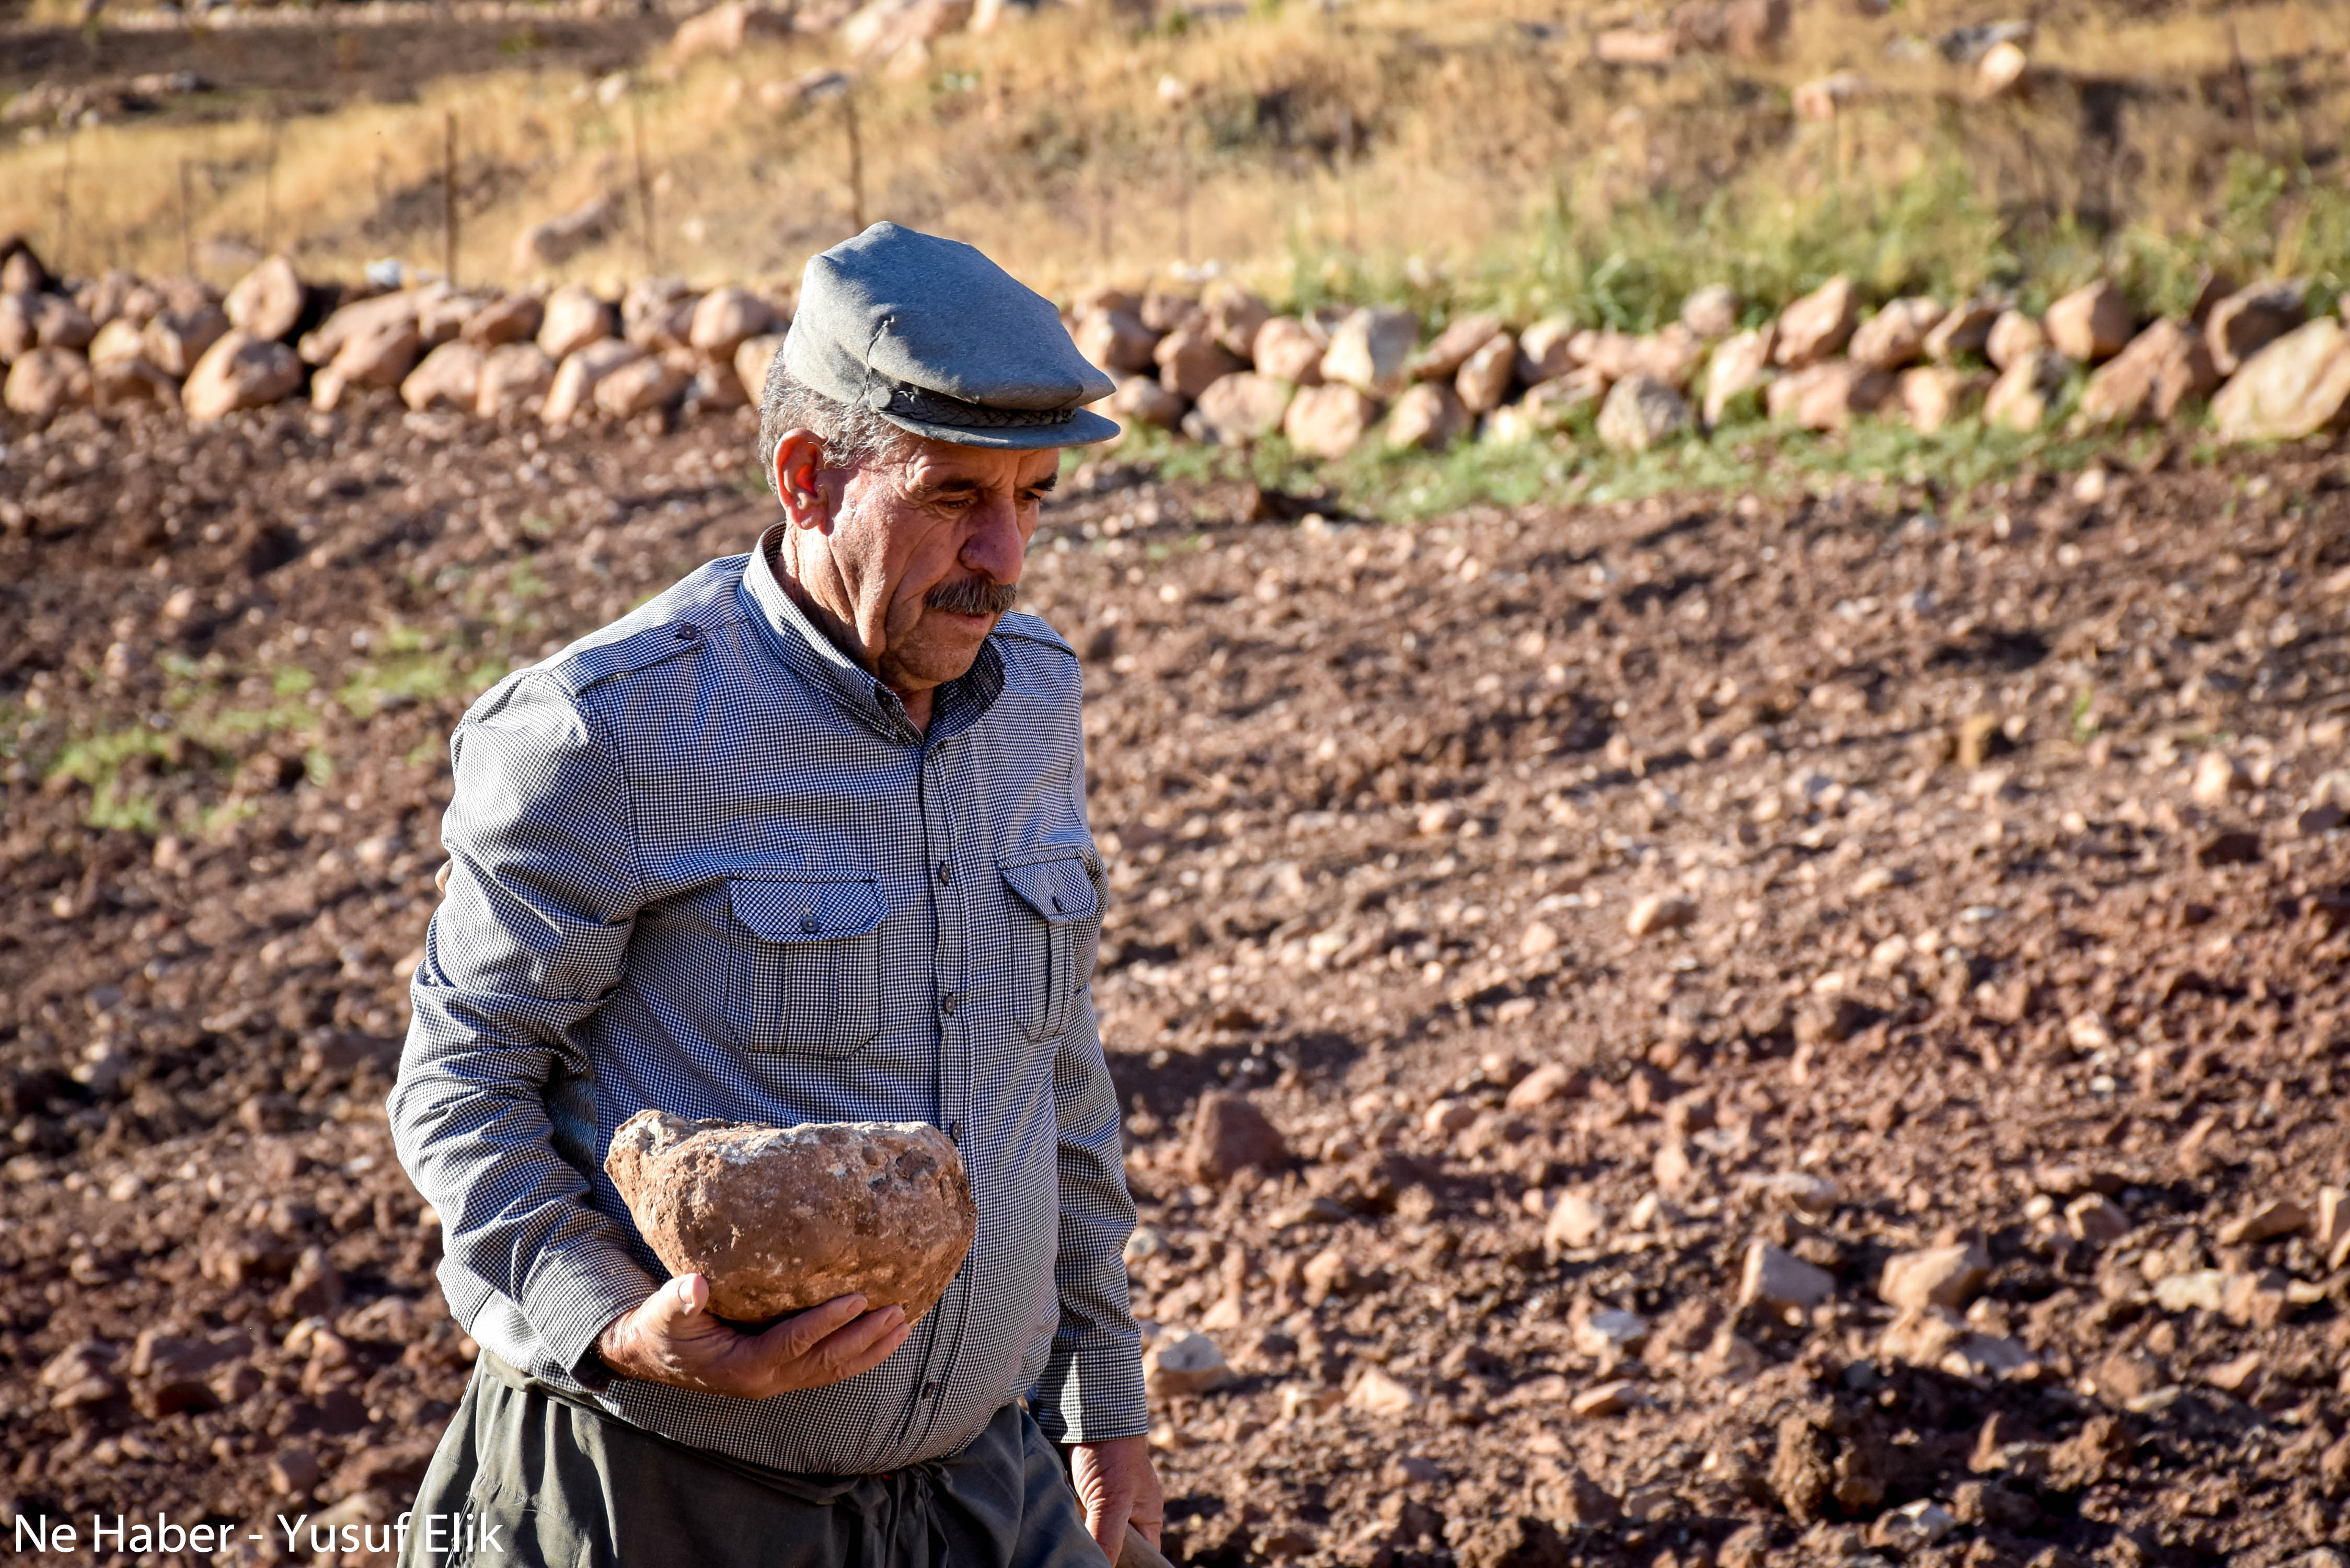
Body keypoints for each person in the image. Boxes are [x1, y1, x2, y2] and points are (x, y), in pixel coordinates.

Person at [389, 223, 1161, 1568]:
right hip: (659, 1499)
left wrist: (1103, 1409)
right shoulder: (606, 734)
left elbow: (1057, 1075)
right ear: (808, 478)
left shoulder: (1033, 695)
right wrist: (620, 1331)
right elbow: (462, 1081)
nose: (1007, 555)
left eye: (1033, 498)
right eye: (951, 496)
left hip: (983, 1495)